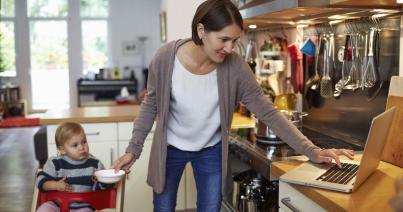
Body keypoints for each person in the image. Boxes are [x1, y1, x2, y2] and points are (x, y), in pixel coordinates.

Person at [111, 0, 355, 211]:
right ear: (201, 30)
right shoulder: (165, 58)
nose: (229, 48)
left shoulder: (235, 66)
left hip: (211, 149)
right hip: (170, 147)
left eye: (235, 40)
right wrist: (133, 150)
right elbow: (150, 105)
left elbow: (267, 111)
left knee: (210, 208)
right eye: (224, 39)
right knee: (163, 207)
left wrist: (311, 150)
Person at [36, 122, 108, 212]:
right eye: (75, 145)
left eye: (84, 142)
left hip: (84, 206)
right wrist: (55, 185)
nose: (82, 147)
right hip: (56, 204)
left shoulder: (95, 164)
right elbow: (41, 182)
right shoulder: (55, 163)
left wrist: (105, 182)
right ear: (62, 150)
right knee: (43, 210)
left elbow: (101, 189)